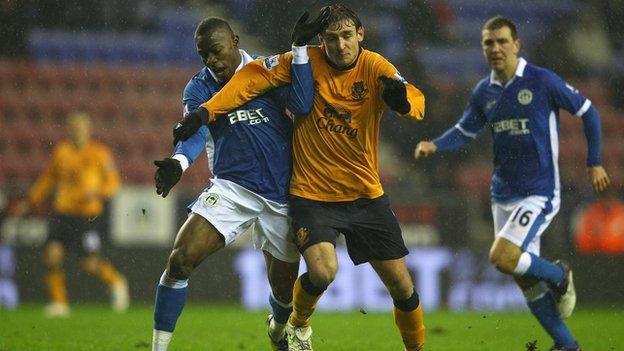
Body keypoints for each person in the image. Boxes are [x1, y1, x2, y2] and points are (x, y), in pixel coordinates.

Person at [173, 4, 427, 351]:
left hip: (365, 194)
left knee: (403, 288)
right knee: (322, 272)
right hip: (312, 194)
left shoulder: (375, 66)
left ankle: (416, 347)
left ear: (360, 35)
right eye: (332, 38)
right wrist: (205, 112)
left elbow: (415, 99)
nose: (340, 45)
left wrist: (404, 104)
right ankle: (298, 325)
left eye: (347, 36)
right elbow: (248, 79)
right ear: (322, 40)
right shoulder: (302, 61)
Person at [414, 16, 610, 351]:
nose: (495, 48)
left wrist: (594, 162)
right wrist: (436, 144)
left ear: (517, 45)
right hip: (502, 193)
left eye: (502, 41)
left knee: (502, 257)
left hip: (539, 191)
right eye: (488, 43)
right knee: (524, 278)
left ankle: (559, 273)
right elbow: (465, 131)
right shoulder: (484, 92)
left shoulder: (541, 81)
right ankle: (567, 345)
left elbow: (588, 111)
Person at [150, 15, 321, 351]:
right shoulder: (199, 87)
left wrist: (299, 53)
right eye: (204, 56)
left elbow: (302, 105)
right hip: (232, 188)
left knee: (284, 299)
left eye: (217, 51)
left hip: (282, 195)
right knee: (180, 260)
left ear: (236, 42)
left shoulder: (265, 71)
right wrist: (178, 162)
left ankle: (277, 328)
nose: (212, 61)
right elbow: (195, 131)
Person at [22, 112, 128, 317]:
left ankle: (117, 281)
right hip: (62, 213)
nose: (77, 131)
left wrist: (97, 192)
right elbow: (49, 178)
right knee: (52, 255)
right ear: (69, 130)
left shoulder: (100, 153)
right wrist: (32, 199)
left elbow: (113, 182)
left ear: (88, 130)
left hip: (87, 216)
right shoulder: (61, 152)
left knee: (88, 262)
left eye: (81, 127)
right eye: (74, 128)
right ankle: (59, 303)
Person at [575, 187, 624, 254]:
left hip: (618, 258)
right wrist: (594, 237)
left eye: (610, 197)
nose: (607, 202)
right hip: (597, 258)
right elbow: (582, 242)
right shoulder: (592, 214)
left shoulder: (621, 214)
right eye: (605, 197)